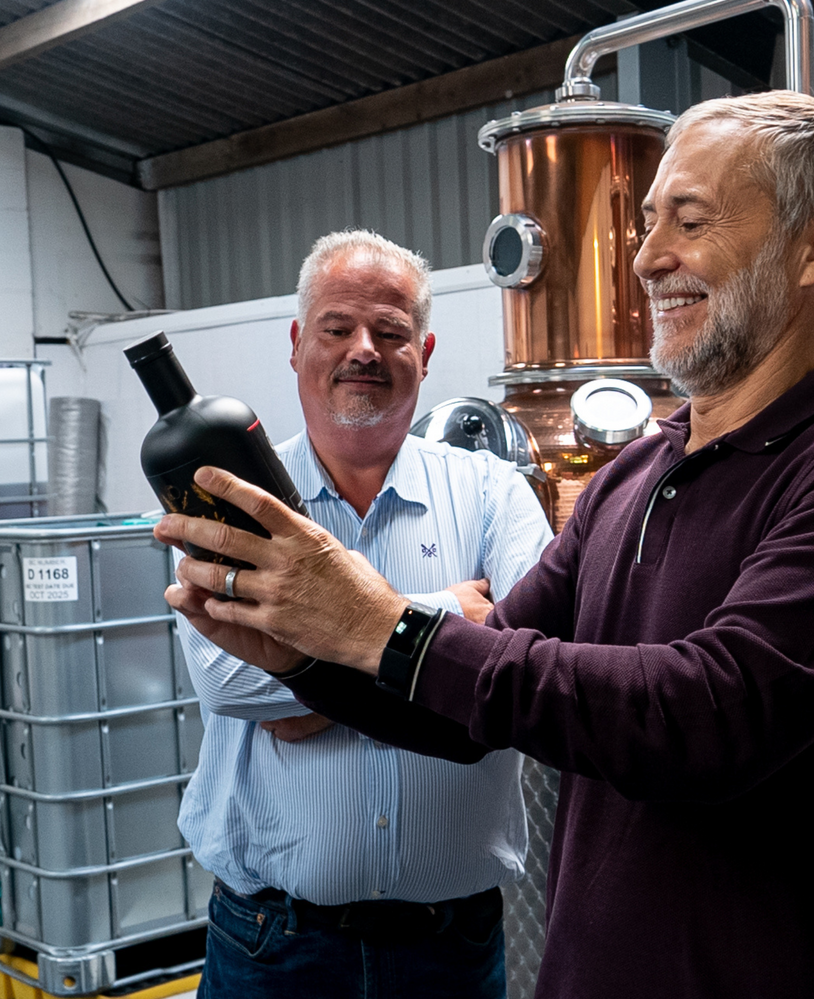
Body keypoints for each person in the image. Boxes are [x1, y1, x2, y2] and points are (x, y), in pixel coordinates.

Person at [159, 93, 814, 998]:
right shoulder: (633, 475)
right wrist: (313, 660)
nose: (649, 256)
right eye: (649, 221)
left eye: (689, 221)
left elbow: (709, 716)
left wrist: (382, 626)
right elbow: (467, 706)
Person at [173, 229, 553, 999]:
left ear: (426, 350)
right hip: (271, 945)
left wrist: (306, 669)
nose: (363, 350)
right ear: (296, 343)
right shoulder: (231, 498)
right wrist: (450, 618)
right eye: (338, 327)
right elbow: (230, 684)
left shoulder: (493, 492)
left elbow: (528, 666)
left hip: (452, 945)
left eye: (390, 332)